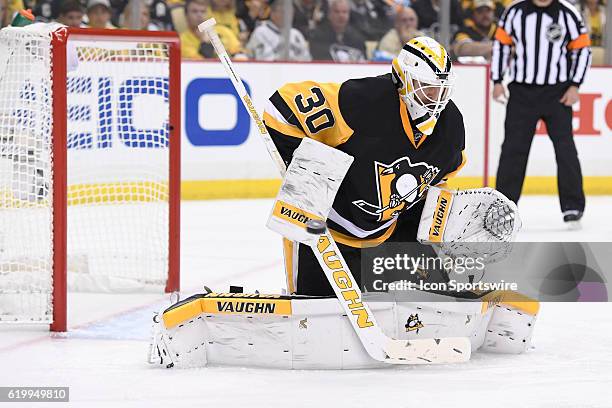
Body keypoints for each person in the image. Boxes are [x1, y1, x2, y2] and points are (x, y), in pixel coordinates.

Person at [263, 36, 465, 295]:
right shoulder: (363, 102)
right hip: (324, 237)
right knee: (313, 315)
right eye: (426, 88)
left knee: (419, 307)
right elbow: (282, 108)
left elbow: (443, 178)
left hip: (383, 239)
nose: (434, 99)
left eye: (441, 89)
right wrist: (309, 174)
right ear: (403, 81)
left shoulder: (451, 126)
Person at [491, 0, 591, 227]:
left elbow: (582, 49)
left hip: (558, 92)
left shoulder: (568, 13)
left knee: (565, 149)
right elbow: (501, 45)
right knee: (513, 150)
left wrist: (575, 84)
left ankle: (573, 205)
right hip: (522, 92)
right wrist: (497, 80)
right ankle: (503, 207)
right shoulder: (514, 12)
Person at [245, 0, 311, 61]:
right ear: (272, 13)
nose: (288, 15)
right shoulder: (260, 32)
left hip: (295, 71)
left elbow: (308, 60)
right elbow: (247, 56)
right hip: (267, 71)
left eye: (291, 11)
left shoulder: (296, 35)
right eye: (283, 11)